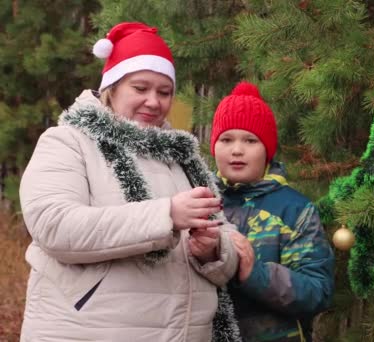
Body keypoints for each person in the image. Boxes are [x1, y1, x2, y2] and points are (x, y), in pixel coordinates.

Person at [19, 22, 238, 342]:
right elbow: (54, 226)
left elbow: (225, 242)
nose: (154, 101)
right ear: (113, 85)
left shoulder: (182, 159)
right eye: (140, 88)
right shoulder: (68, 141)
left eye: (164, 92)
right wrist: (166, 216)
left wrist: (212, 250)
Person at [209, 81, 335, 341]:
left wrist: (255, 274)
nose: (236, 150)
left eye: (250, 140)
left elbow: (317, 291)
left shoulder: (294, 210)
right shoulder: (201, 201)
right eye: (226, 139)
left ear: (267, 151)